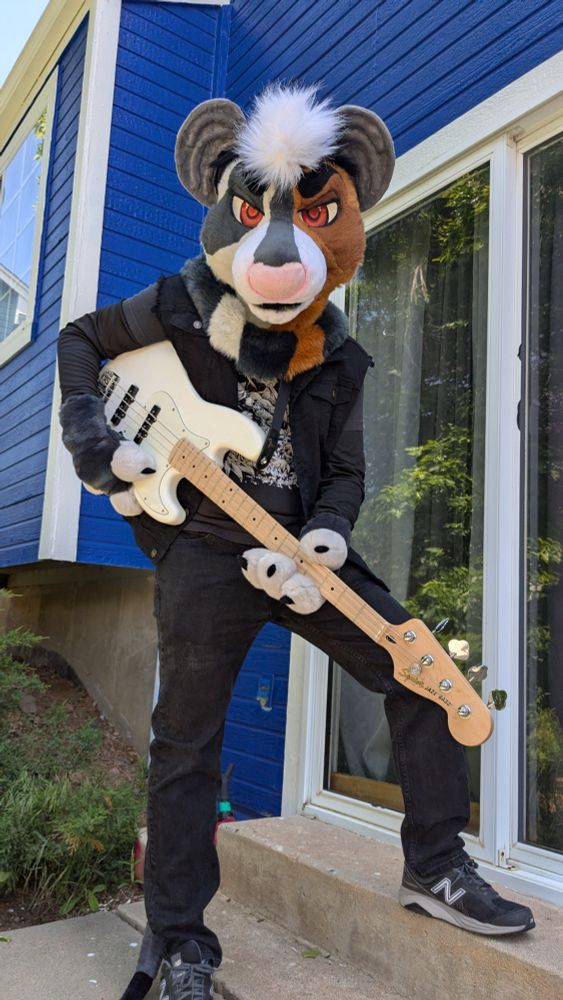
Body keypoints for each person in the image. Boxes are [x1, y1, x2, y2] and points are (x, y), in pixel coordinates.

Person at [57, 85, 534, 1000]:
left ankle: (435, 865)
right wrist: (95, 439)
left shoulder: (343, 359)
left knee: (419, 671)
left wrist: (324, 534)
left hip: (302, 553)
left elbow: (345, 477)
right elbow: (81, 340)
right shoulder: (178, 307)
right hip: (202, 543)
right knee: (185, 744)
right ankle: (184, 946)